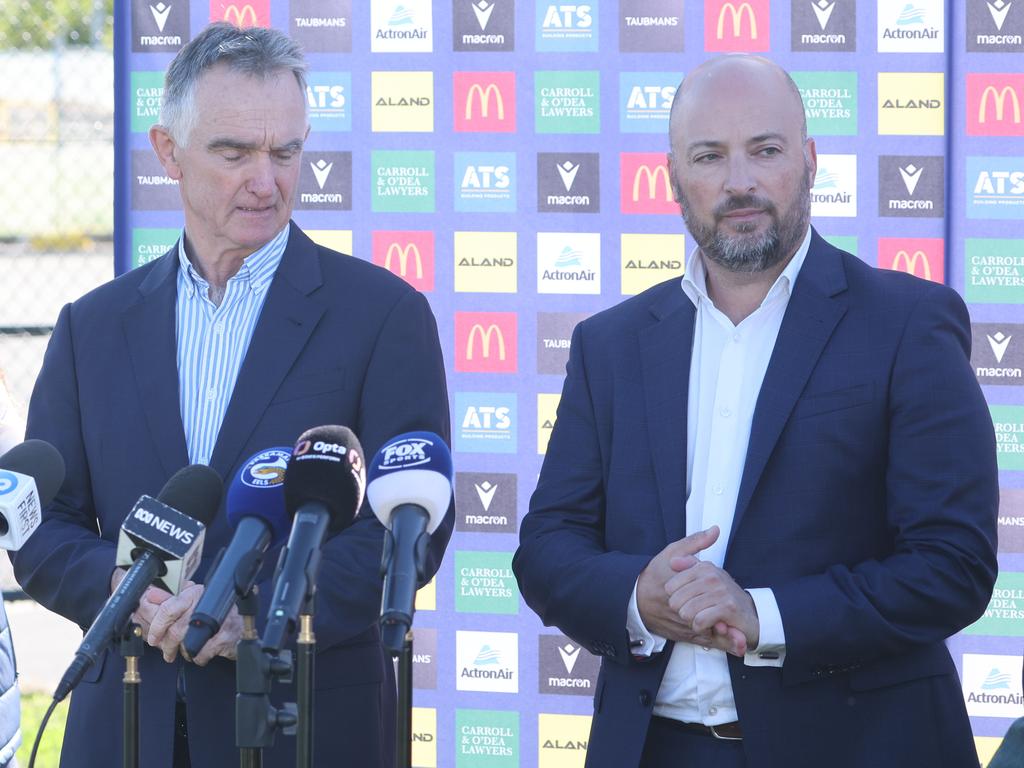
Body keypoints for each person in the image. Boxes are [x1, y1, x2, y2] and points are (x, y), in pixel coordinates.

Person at [513, 54, 998, 768]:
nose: (740, 181)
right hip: (651, 749)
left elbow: (953, 565)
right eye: (709, 156)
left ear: (808, 160)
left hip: (858, 748)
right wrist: (637, 598)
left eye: (764, 150)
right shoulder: (608, 346)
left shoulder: (908, 324)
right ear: (674, 179)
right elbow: (549, 548)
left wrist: (762, 614)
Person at [11, 23, 451, 768]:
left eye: (286, 152)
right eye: (234, 152)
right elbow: (42, 523)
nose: (266, 179)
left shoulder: (382, 316)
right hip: (126, 721)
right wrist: (122, 592)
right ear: (167, 153)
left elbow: (406, 531)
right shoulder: (92, 326)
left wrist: (257, 613)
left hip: (305, 726)